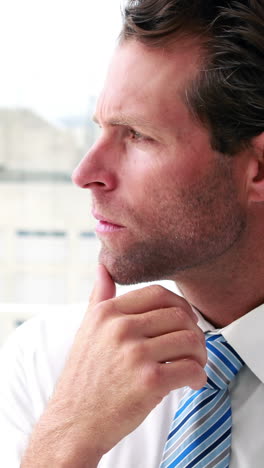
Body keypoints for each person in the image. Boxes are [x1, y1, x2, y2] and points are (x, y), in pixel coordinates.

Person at [1, 0, 264, 466]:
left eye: (138, 135)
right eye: (100, 128)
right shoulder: (46, 365)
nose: (85, 172)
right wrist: (66, 439)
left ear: (258, 170)